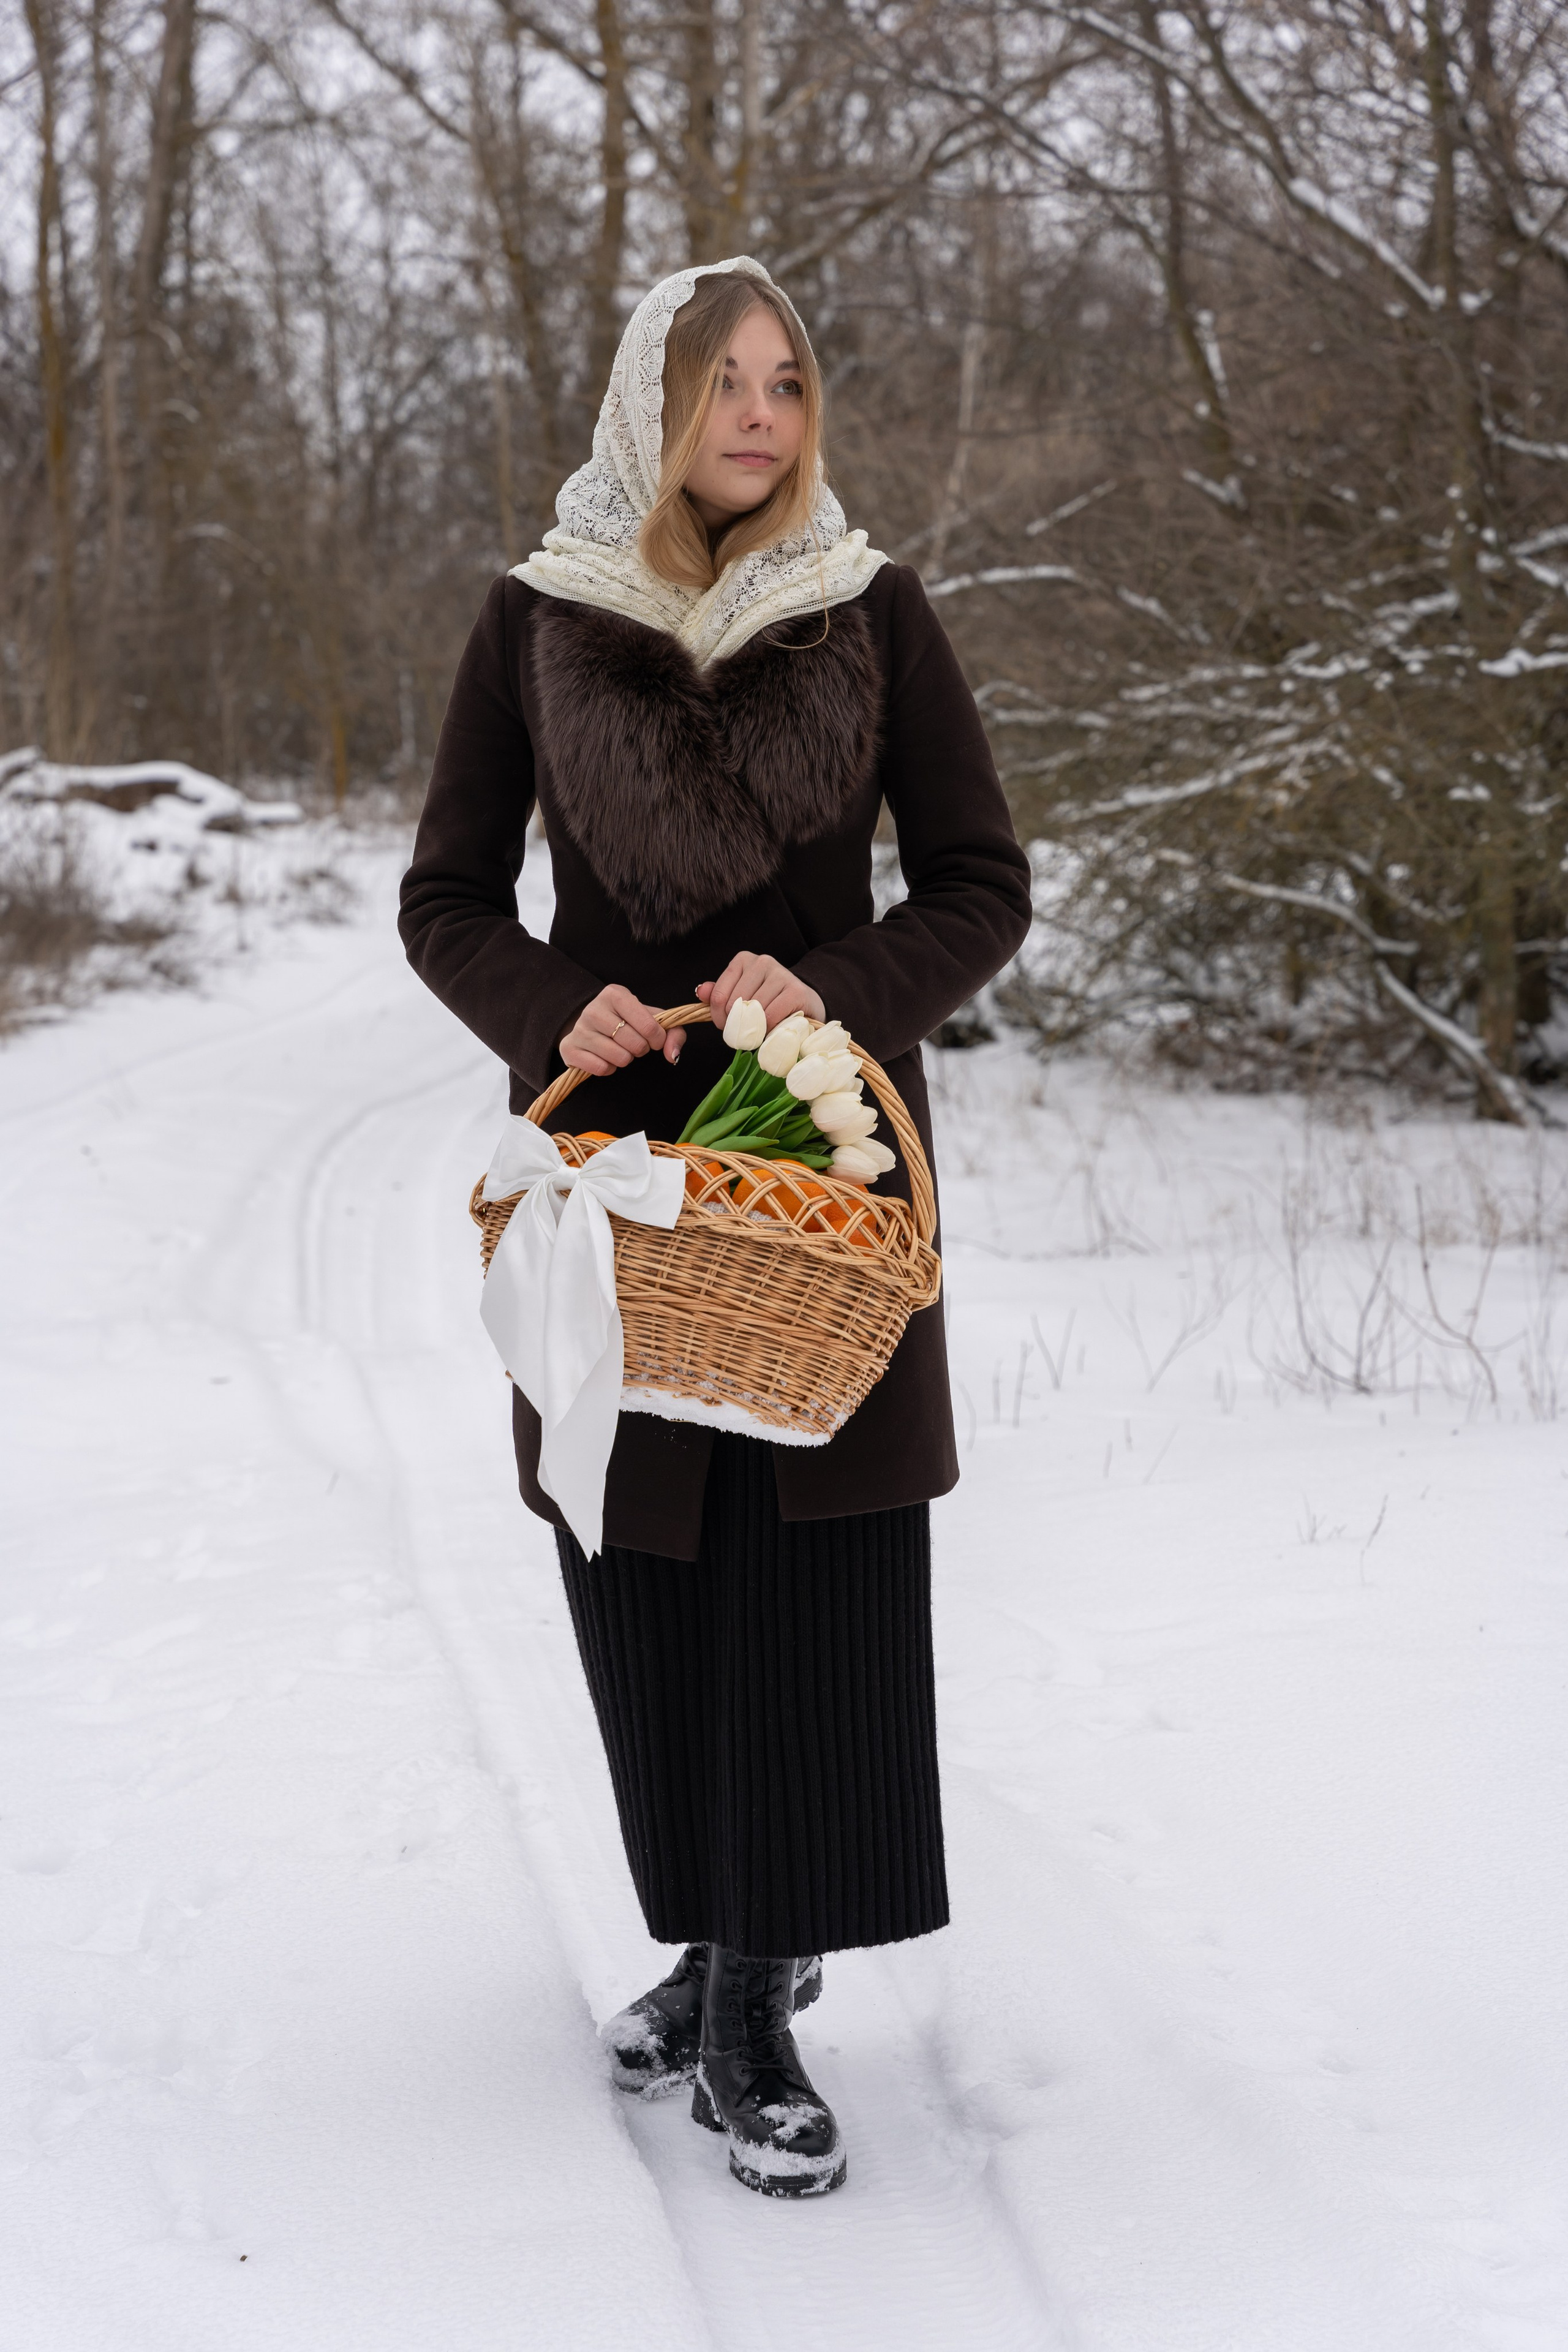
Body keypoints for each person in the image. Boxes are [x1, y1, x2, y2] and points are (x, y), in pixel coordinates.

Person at [399, 257, 1032, 2199]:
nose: (758, 414)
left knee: (809, 1567)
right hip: (607, 1183)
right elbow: (444, 898)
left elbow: (986, 885)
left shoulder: (875, 611)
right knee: (646, 1559)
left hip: (814, 1155)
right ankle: (713, 1933)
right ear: (648, 406)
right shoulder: (533, 624)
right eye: (719, 382)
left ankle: (758, 1995)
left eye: (785, 382)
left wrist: (832, 986)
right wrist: (543, 1007)